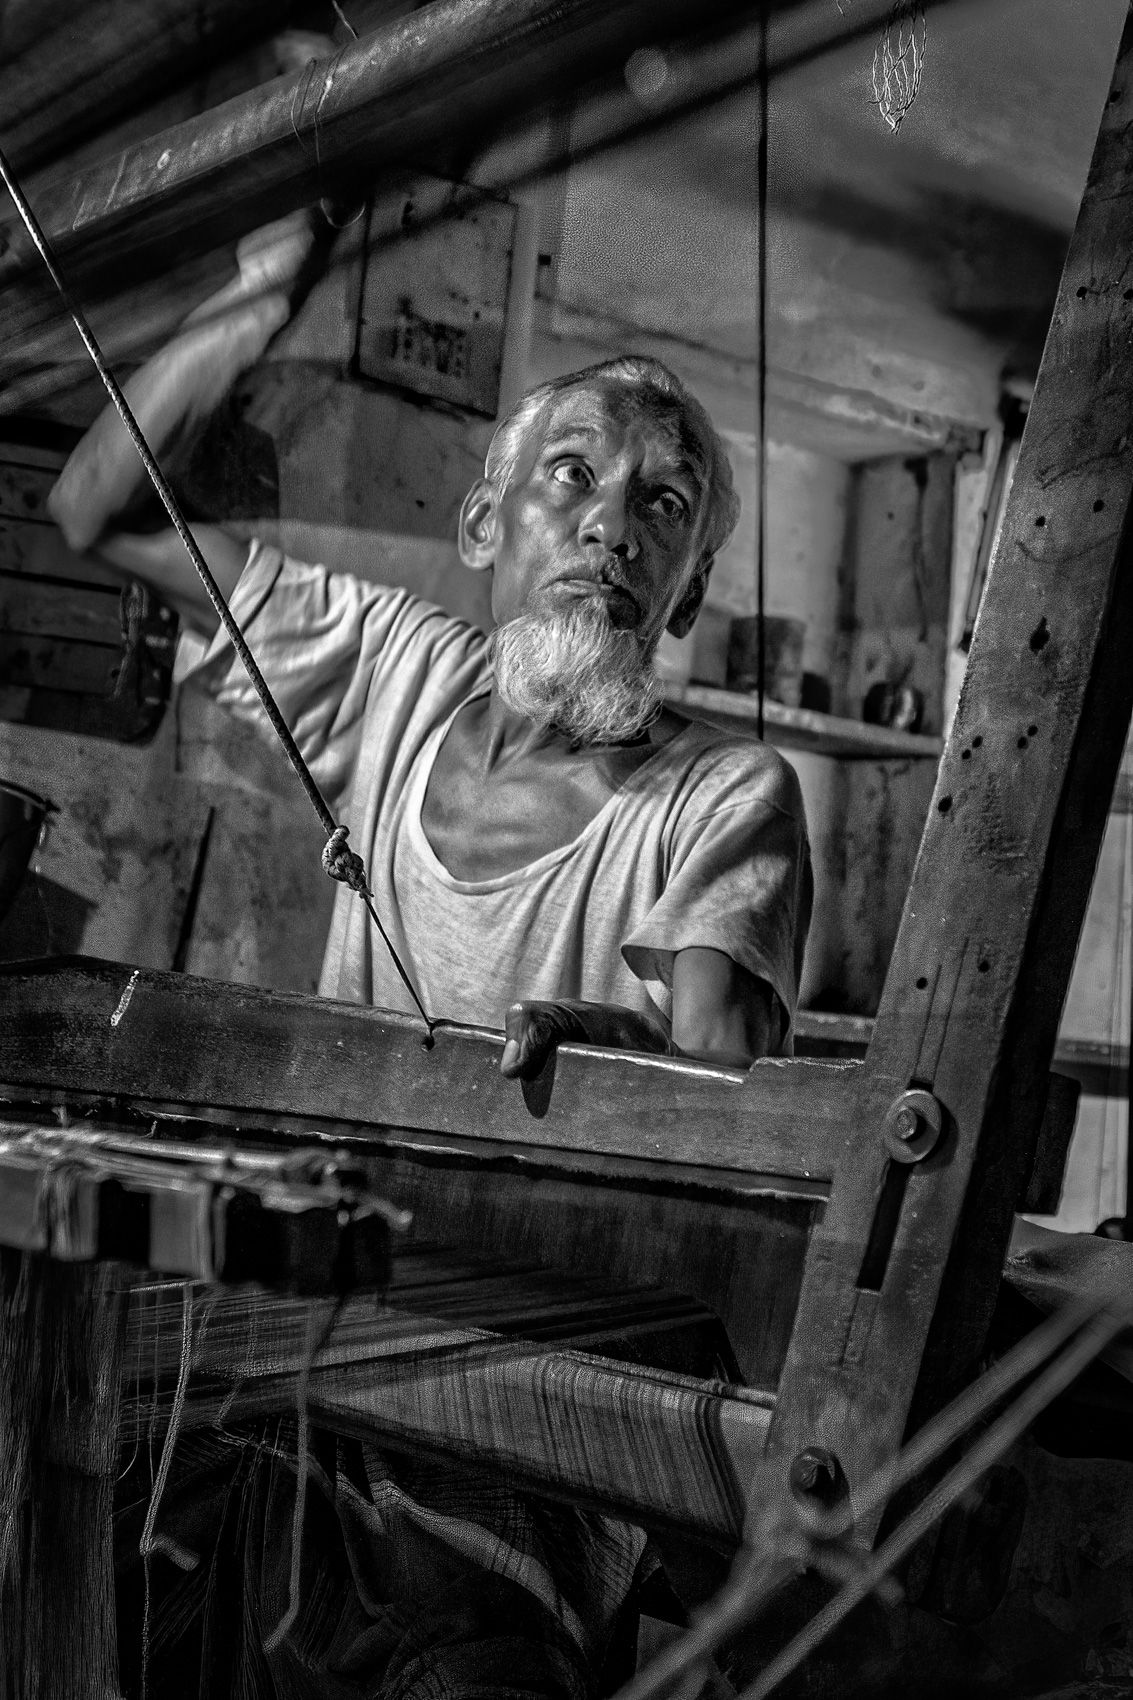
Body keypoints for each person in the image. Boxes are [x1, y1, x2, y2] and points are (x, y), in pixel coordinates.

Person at [49, 212, 812, 1699]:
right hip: (317, 1307)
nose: (612, 528)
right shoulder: (394, 669)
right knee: (125, 1567)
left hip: (542, 1378)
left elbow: (719, 1060)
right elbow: (98, 511)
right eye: (572, 477)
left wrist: (614, 1040)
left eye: (663, 506)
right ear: (483, 524)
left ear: (686, 589)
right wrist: (258, 291)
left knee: (462, 1661)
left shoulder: (724, 793)